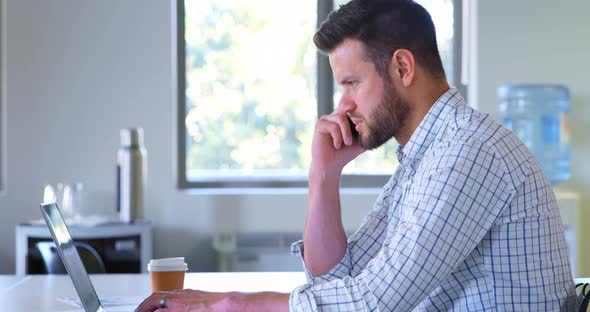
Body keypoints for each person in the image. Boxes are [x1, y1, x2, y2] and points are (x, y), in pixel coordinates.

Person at [136, 0, 576, 310]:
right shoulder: (424, 156)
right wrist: (323, 177)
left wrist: (230, 305)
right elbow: (337, 279)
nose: (342, 105)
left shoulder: (467, 153)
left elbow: (370, 303)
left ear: (403, 68)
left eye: (351, 83)